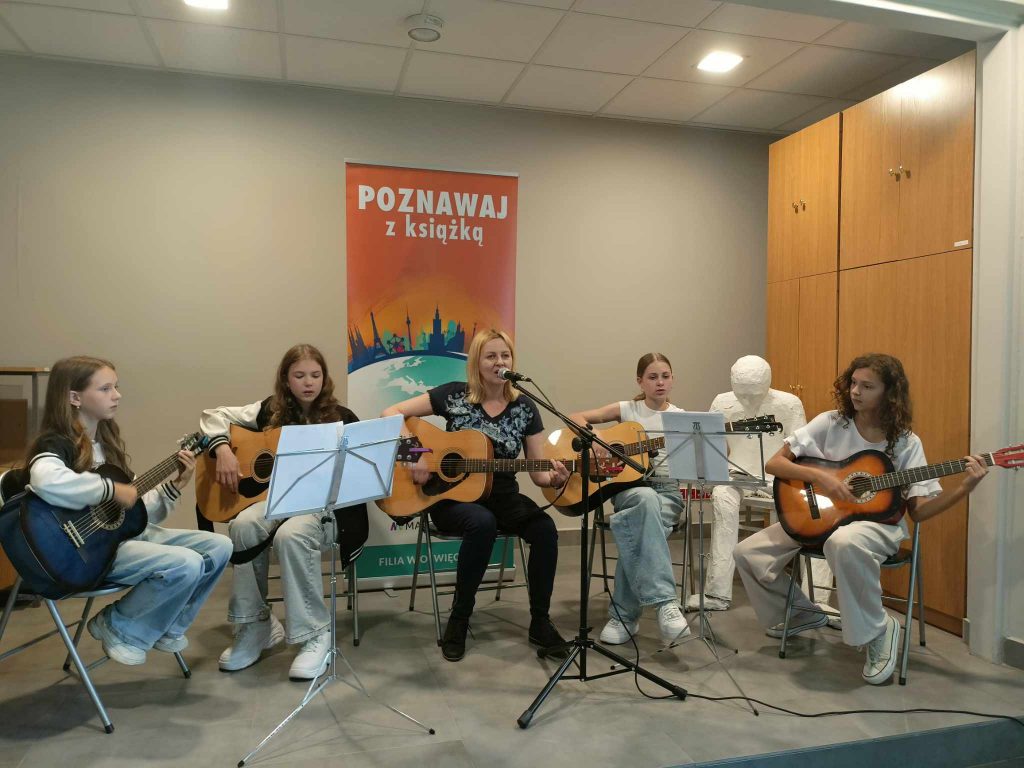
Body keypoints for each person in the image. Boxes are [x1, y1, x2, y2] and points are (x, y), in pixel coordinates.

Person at [734, 353, 988, 685]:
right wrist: (821, 477)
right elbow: (775, 464)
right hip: (820, 518)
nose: (855, 391)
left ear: (889, 393)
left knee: (843, 542)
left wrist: (965, 488)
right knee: (748, 553)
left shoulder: (905, 443)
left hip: (877, 527)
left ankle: (879, 630)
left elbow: (919, 511)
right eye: (854, 383)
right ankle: (799, 614)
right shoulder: (831, 423)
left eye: (867, 386)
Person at [0, 356, 232, 666]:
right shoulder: (56, 443)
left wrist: (175, 486)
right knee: (186, 563)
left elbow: (136, 516)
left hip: (118, 541)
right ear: (74, 397)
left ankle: (167, 626)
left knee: (219, 545)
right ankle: (119, 625)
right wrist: (108, 489)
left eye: (116, 387)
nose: (117, 395)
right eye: (105, 388)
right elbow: (45, 479)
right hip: (86, 555)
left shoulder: (106, 447)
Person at [382, 329, 570, 662]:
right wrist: (414, 454)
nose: (500, 362)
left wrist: (555, 478)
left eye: (505, 355)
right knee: (481, 523)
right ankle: (459, 618)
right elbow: (391, 412)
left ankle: (540, 621)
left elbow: (538, 472)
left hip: (504, 494)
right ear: (477, 362)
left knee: (544, 529)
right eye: (491, 356)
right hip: (451, 497)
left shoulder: (526, 407)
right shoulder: (455, 395)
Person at [200, 344, 368, 679]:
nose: (308, 382)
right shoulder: (268, 410)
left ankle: (315, 632)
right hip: (279, 501)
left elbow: (361, 471)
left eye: (315, 375)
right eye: (299, 375)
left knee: (292, 535)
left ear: (324, 378)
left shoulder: (342, 418)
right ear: (286, 379)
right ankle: (255, 625)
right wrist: (222, 449)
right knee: (243, 525)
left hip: (325, 509)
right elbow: (212, 416)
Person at [569, 352, 691, 646]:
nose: (660, 382)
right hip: (628, 490)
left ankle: (624, 616)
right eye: (653, 377)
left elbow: (717, 449)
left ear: (672, 379)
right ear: (640, 381)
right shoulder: (627, 409)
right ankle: (666, 603)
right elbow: (575, 418)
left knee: (637, 528)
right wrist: (597, 438)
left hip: (667, 491)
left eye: (665, 376)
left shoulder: (682, 417)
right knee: (643, 503)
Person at [686, 355, 811, 613]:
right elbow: (712, 447)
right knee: (722, 497)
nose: (748, 402)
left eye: (755, 395)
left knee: (817, 507)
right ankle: (717, 593)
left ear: (768, 383)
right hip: (737, 476)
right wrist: (713, 471)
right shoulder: (722, 402)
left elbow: (803, 451)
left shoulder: (789, 404)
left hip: (779, 478)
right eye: (742, 395)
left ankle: (815, 599)